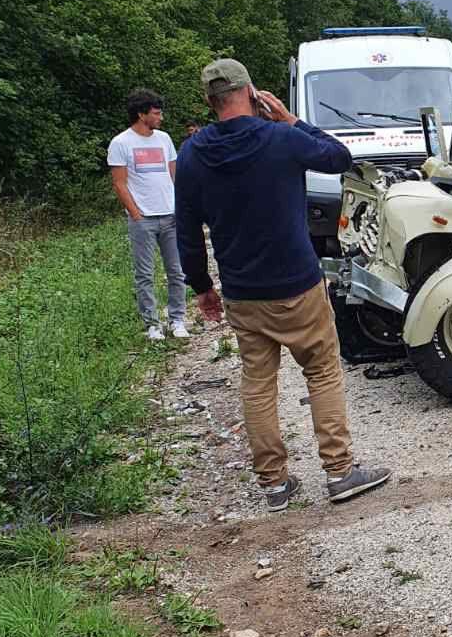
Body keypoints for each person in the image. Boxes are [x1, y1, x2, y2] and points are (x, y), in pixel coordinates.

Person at [174, 58, 391, 513]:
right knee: (323, 371)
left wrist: (201, 286)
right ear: (251, 92)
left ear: (208, 101)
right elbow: (339, 158)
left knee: (257, 382)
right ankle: (339, 471)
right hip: (296, 281)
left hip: (240, 289)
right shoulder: (280, 137)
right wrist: (291, 118)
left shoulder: (192, 153)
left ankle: (274, 484)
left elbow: (187, 230)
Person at [107, 89, 189, 342]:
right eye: (156, 113)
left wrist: (181, 205)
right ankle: (152, 324)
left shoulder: (164, 139)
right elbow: (120, 183)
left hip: (170, 215)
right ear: (142, 114)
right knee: (145, 273)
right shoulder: (121, 143)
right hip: (143, 218)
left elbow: (175, 175)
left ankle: (177, 320)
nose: (161, 117)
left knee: (176, 271)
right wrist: (136, 214)